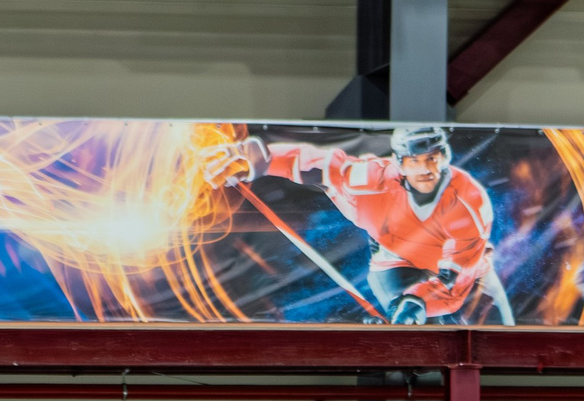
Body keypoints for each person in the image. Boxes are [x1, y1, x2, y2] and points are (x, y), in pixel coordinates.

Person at [200, 126, 514, 325]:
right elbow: (323, 166)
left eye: (432, 159)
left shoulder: (467, 202)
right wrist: (257, 158)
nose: (426, 169)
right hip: (394, 259)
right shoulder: (372, 182)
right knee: (406, 323)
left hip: (464, 275)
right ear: (400, 163)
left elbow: (455, 279)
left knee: (494, 335)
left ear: (443, 157)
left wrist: (417, 300)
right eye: (416, 160)